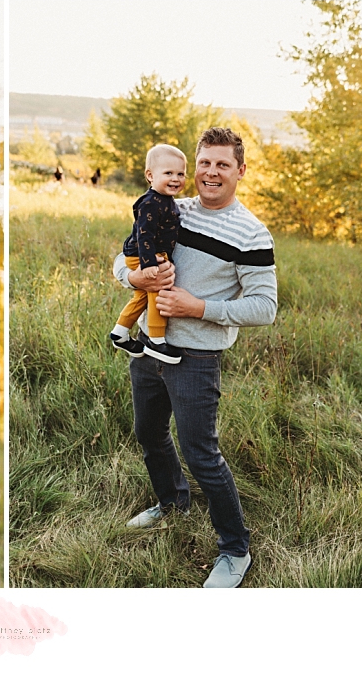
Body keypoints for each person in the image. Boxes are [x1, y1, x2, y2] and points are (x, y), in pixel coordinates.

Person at [113, 127, 277, 588]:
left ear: (240, 172)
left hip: (196, 356)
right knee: (147, 430)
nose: (210, 172)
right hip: (149, 344)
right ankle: (171, 502)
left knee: (201, 453)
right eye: (204, 162)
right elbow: (122, 257)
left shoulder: (251, 232)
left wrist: (198, 308)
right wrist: (135, 281)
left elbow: (264, 307)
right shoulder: (170, 207)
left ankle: (234, 549)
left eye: (222, 164)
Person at [109, 144, 187, 363]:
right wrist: (149, 263)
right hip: (144, 255)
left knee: (141, 295)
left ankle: (120, 332)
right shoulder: (151, 203)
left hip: (151, 254)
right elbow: (145, 234)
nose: (175, 179)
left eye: (180, 174)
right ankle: (156, 340)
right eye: (168, 173)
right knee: (157, 291)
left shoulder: (166, 201)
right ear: (150, 176)